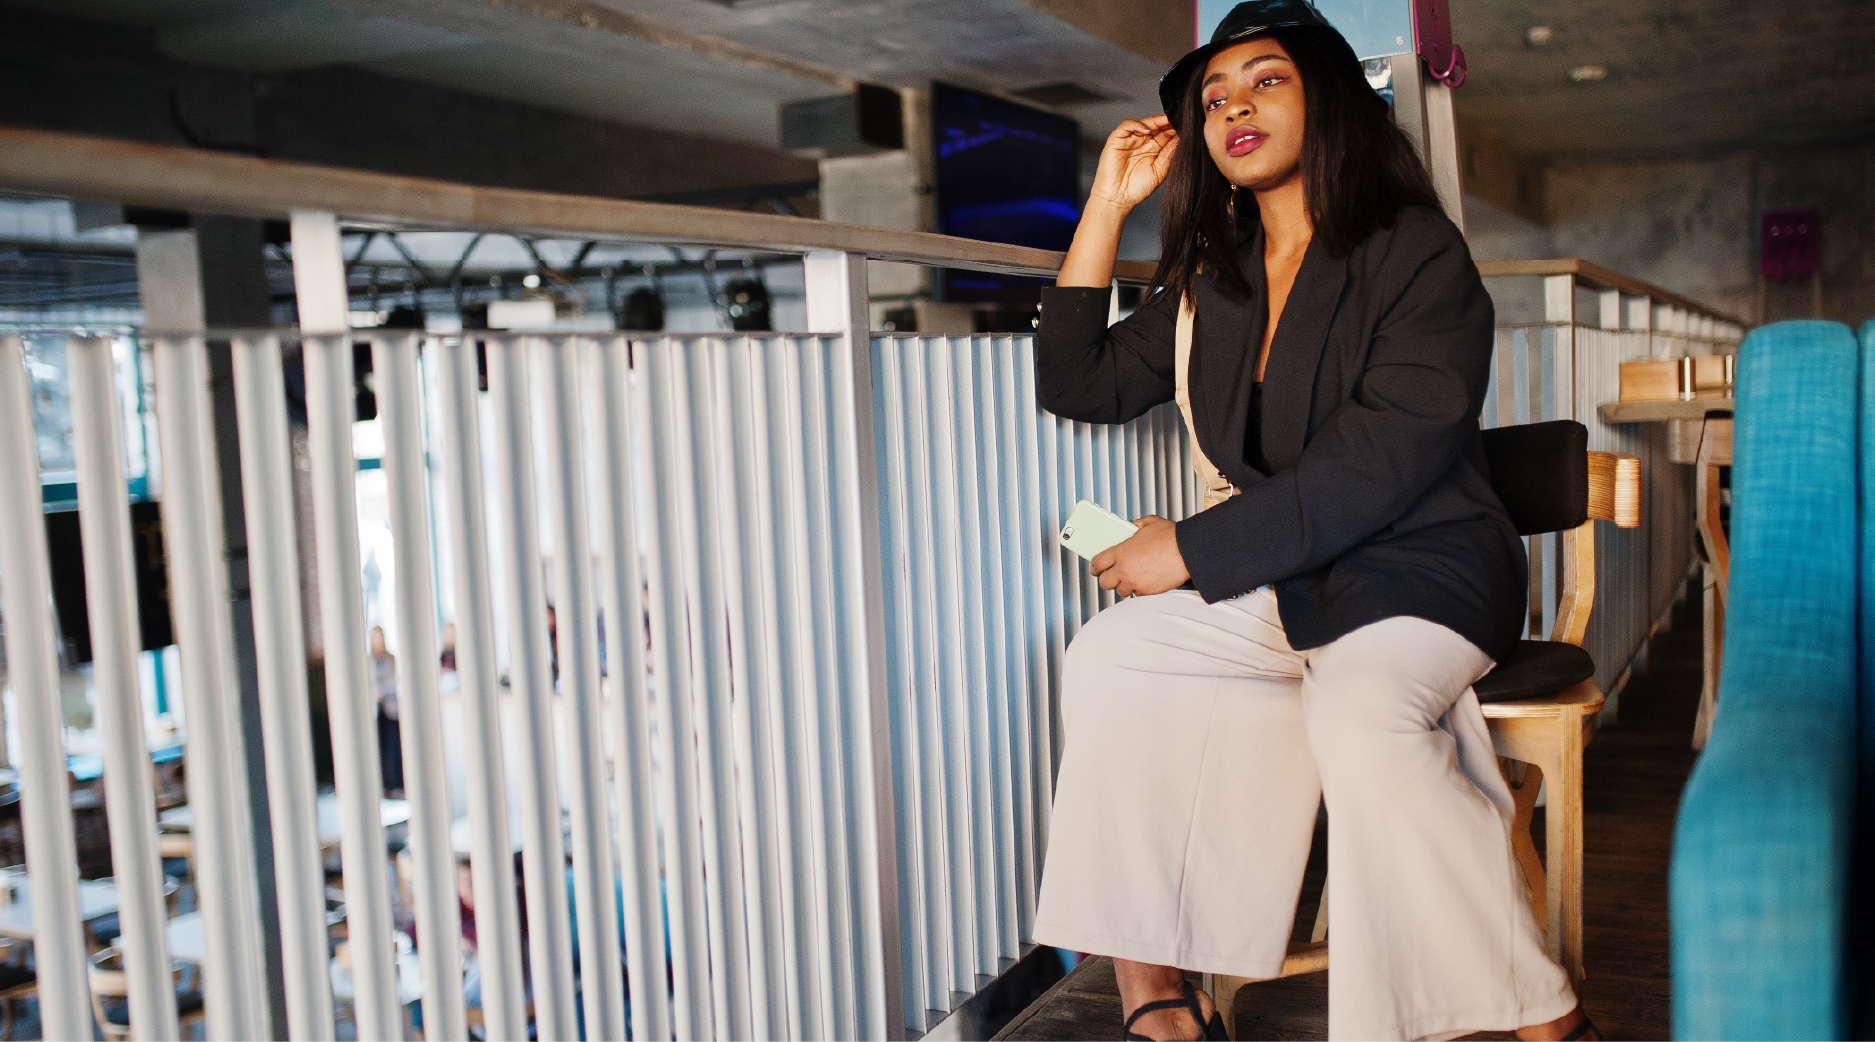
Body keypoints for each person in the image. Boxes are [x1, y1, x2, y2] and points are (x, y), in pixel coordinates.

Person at [1028, 3, 1597, 1040]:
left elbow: (1381, 458)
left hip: (1422, 568)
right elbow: (1078, 381)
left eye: (1265, 81)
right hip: (1288, 573)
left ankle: (1546, 1020)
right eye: (1213, 99)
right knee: (1112, 655)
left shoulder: (1416, 253)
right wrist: (1105, 205)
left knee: (1362, 718)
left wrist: (1188, 548)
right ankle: (1160, 995)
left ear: (1326, 100)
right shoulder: (1215, 279)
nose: (1232, 107)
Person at [370, 625, 405, 799]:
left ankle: (396, 786)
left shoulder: (391, 659)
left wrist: (381, 691)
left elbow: (395, 682)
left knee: (393, 749)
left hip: (390, 709)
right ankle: (382, 787)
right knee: (378, 749)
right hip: (375, 712)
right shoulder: (368, 660)